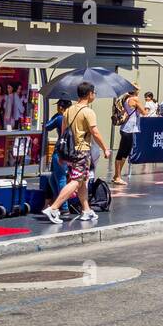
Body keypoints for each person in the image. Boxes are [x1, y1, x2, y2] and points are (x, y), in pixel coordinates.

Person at [44, 81, 108, 224]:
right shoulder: (88, 112)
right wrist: (105, 148)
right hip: (82, 151)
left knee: (83, 180)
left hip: (71, 152)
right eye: (94, 93)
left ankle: (86, 210)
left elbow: (63, 133)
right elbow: (95, 132)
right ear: (89, 94)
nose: (95, 95)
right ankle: (53, 208)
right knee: (76, 181)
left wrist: (61, 154)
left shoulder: (68, 111)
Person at [44, 99, 72, 218]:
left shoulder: (60, 117)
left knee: (60, 179)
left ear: (61, 107)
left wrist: (55, 115)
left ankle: (64, 207)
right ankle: (59, 202)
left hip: (60, 151)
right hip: (70, 151)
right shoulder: (73, 117)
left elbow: (47, 126)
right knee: (53, 178)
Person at [111, 90, 142, 186]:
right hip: (127, 129)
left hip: (128, 129)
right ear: (136, 91)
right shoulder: (135, 99)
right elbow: (144, 112)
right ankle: (117, 177)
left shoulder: (126, 98)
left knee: (125, 153)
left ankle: (117, 175)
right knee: (122, 153)